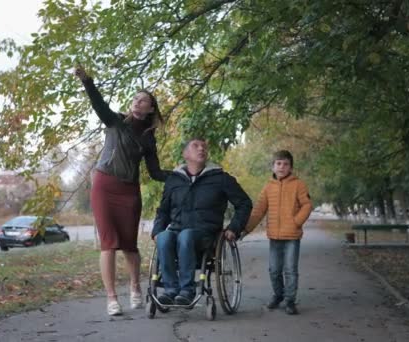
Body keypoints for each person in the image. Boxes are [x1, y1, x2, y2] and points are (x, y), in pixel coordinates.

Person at [74, 65, 171, 316]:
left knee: (129, 245)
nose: (138, 102)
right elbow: (98, 104)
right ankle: (111, 298)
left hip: (129, 191)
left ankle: (135, 288)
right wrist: (87, 81)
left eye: (144, 100)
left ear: (150, 109)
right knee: (108, 243)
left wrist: (183, 174)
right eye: (136, 98)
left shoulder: (149, 137)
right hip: (104, 185)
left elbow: (156, 172)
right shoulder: (115, 121)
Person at [151, 137, 252, 305]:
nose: (201, 149)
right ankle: (170, 289)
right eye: (195, 146)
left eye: (204, 146)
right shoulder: (174, 180)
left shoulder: (220, 178)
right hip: (177, 231)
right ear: (185, 154)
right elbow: (163, 211)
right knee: (164, 238)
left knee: (186, 236)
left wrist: (234, 227)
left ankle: (187, 290)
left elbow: (244, 203)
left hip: (206, 235)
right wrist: (157, 231)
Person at [244, 150, 313, 315]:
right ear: (273, 167)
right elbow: (259, 210)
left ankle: (290, 301)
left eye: (286, 164)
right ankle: (278, 295)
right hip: (274, 236)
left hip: (292, 236)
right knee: (274, 269)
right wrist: (246, 229)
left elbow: (307, 205)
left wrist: (296, 222)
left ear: (291, 167)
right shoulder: (268, 187)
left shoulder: (299, 184)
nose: (282, 167)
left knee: (290, 269)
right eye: (279, 163)